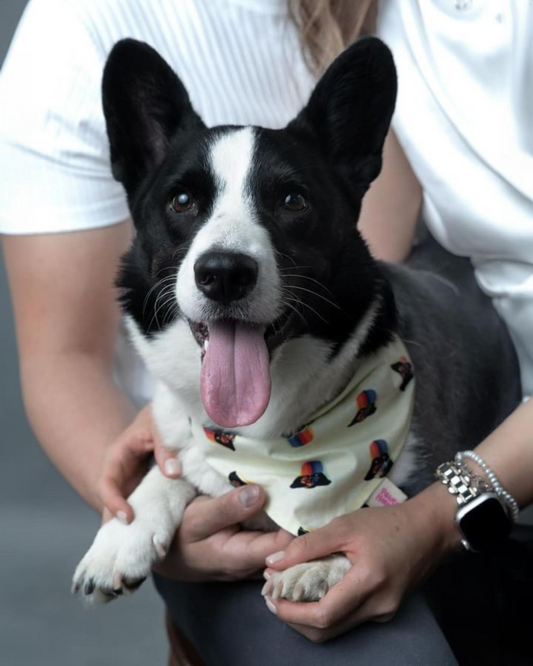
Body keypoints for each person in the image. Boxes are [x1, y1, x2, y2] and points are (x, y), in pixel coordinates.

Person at [1, 0, 532, 662]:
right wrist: (155, 498)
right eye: (186, 201)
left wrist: (429, 520)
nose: (227, 255)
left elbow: (373, 262)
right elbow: (61, 358)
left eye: (285, 200)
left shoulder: (401, 18)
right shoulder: (77, 26)